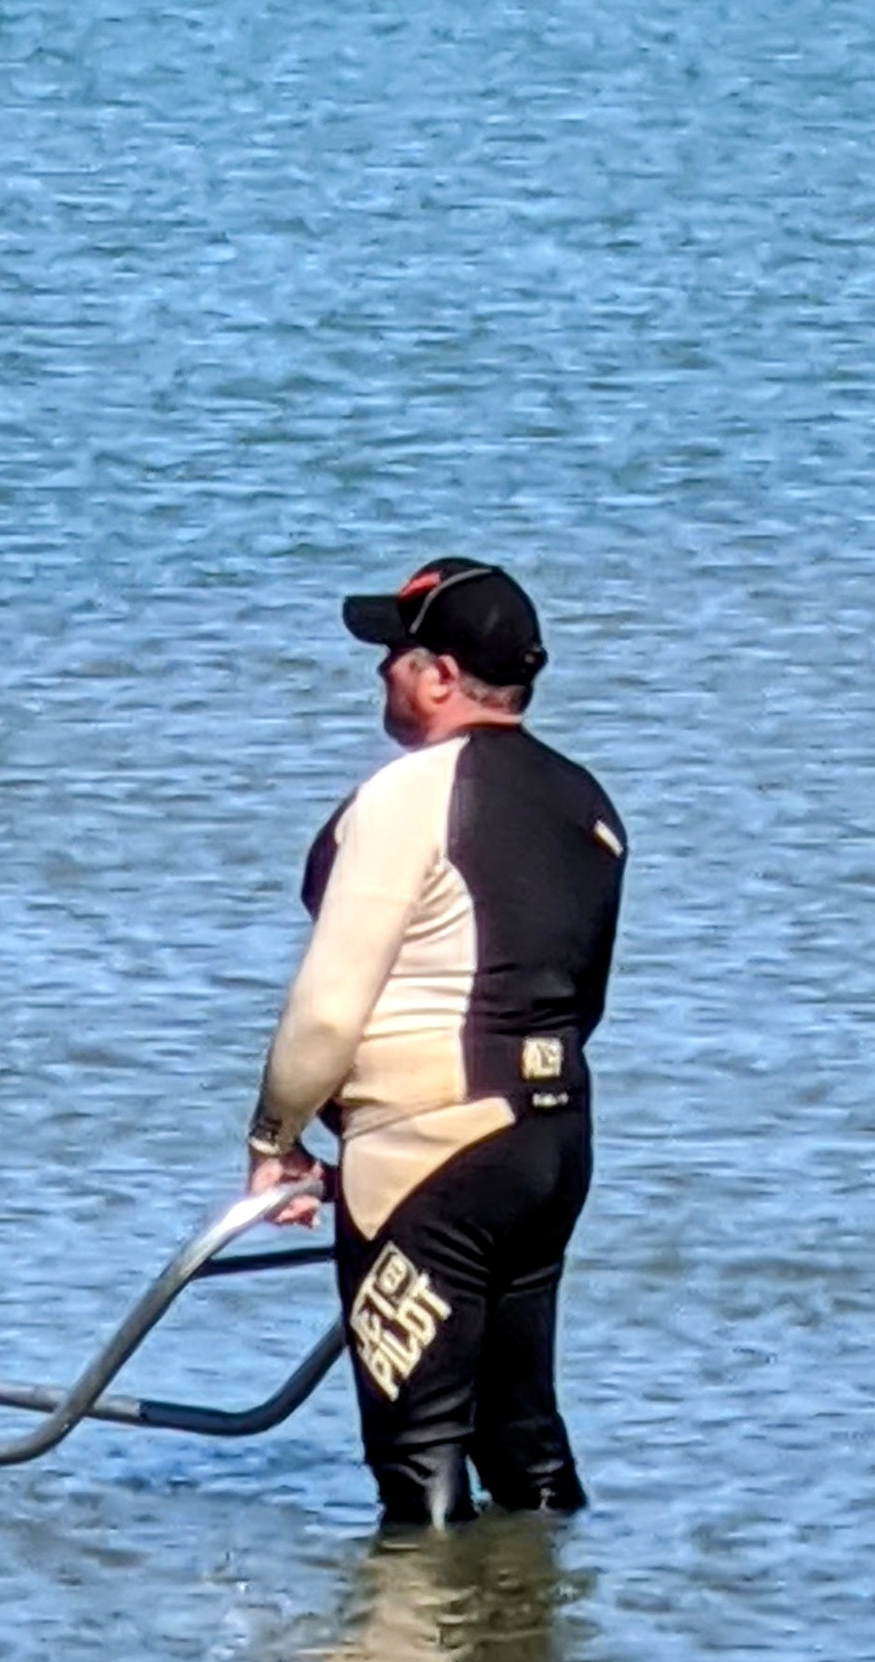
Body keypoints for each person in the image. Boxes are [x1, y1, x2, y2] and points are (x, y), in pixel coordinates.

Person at [244, 559, 627, 1528]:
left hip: (427, 1154)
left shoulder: (408, 795)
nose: (380, 674)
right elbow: (584, 1002)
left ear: (439, 674)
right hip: (549, 1141)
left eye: (392, 655)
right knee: (523, 1438)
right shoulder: (587, 805)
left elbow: (329, 1009)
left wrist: (274, 1143)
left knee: (417, 1466)